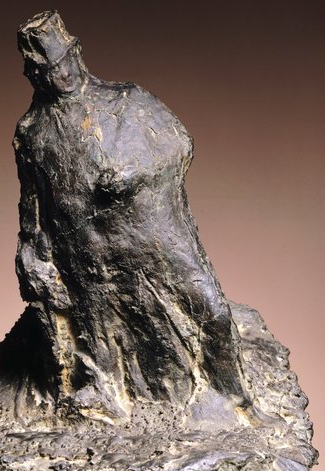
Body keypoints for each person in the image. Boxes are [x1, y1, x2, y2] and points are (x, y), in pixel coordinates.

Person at [14, 11, 252, 419]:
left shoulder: (127, 100)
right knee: (109, 342)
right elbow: (32, 204)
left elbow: (179, 144)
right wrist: (32, 252)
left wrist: (133, 174)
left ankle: (236, 398)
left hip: (150, 235)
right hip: (87, 256)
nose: (62, 75)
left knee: (208, 308)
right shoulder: (32, 132)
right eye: (50, 70)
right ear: (36, 75)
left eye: (65, 62)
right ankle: (120, 403)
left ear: (77, 54)